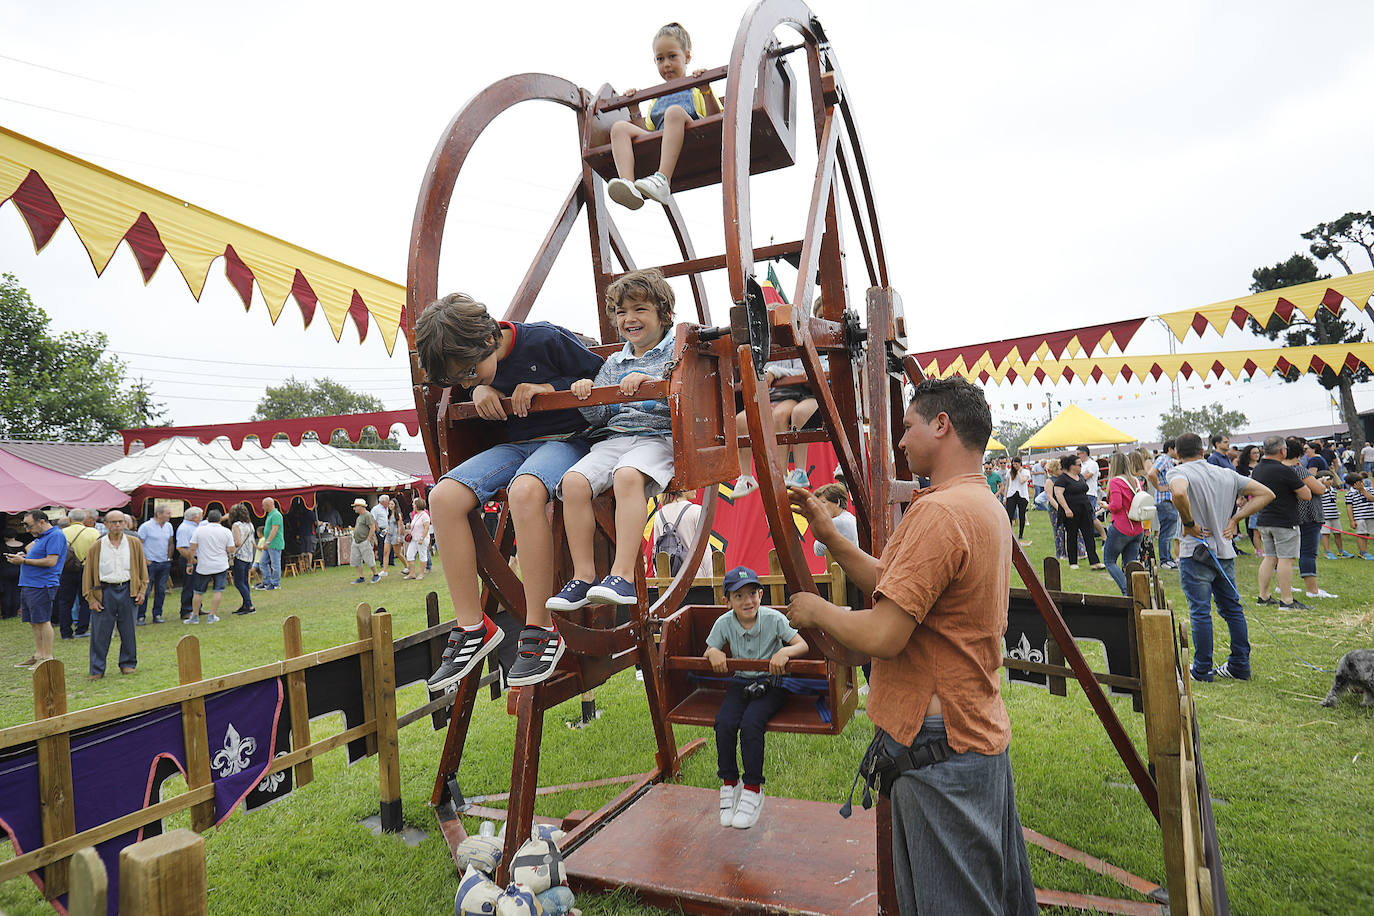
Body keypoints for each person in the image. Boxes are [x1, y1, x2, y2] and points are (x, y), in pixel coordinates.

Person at [785, 377, 1037, 914]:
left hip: (939, 752)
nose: (900, 442)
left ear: (940, 425)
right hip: (966, 733)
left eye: (907, 427)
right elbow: (897, 587)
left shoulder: (939, 513)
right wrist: (831, 537)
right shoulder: (978, 502)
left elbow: (884, 633)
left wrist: (816, 610)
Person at [415, 291, 604, 692]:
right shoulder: (477, 367)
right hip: (519, 446)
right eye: (460, 380)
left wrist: (548, 388)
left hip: (570, 438)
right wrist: (477, 391)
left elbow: (605, 377)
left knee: (525, 492)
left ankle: (540, 626)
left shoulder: (546, 339)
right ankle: (472, 626)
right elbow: (474, 385)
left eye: (469, 373)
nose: (467, 381)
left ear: (488, 340)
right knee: (442, 498)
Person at [549, 269, 678, 638]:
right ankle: (583, 577)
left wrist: (650, 389)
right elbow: (600, 415)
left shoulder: (677, 350)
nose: (629, 319)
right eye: (622, 313)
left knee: (626, 476)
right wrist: (587, 394)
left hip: (659, 438)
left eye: (640, 309)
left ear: (663, 313)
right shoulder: (614, 364)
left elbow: (684, 398)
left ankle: (621, 575)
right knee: (573, 482)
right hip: (616, 439)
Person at [707, 566, 808, 830]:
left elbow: (802, 644)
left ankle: (753, 787)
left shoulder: (774, 619)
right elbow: (711, 648)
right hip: (741, 681)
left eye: (752, 593)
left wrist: (785, 653)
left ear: (761, 595)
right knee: (725, 723)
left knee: (752, 724)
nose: (747, 601)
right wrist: (713, 653)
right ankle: (730, 783)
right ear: (726, 601)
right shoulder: (724, 623)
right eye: (738, 596)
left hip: (772, 683)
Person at [1169, 432, 1274, 681]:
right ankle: (1239, 664)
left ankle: (1202, 669)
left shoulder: (1179, 472)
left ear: (1178, 453)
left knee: (1200, 612)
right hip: (1224, 550)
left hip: (1195, 551)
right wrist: (1236, 518)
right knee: (1232, 610)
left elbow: (1179, 493)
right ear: (1203, 451)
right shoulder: (1226, 473)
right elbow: (1266, 493)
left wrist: (1189, 522)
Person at [606, 22, 721, 211]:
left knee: (674, 112)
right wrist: (634, 108)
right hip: (663, 139)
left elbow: (716, 119)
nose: (666, 64)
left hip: (693, 134)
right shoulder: (656, 99)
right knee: (619, 127)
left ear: (687, 57)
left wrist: (706, 88)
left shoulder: (696, 87)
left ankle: (662, 179)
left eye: (672, 56)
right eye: (660, 59)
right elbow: (646, 134)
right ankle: (628, 183)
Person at [731, 356, 819, 497]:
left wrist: (775, 372)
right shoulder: (760, 351)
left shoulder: (791, 350)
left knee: (779, 415)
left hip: (792, 395)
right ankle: (746, 476)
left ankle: (781, 473)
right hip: (767, 398)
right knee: (741, 420)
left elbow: (800, 370)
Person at [1249, 436, 1314, 610]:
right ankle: (1286, 600)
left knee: (1269, 558)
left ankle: (1263, 596)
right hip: (1284, 521)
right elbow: (1306, 495)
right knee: (1286, 559)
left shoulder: (1257, 470)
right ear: (1282, 451)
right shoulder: (1285, 471)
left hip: (1264, 519)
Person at [81, 510, 146, 678]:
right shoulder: (97, 546)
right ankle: (97, 669)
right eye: (114, 522)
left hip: (128, 590)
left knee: (128, 630)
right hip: (104, 591)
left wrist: (142, 590)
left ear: (125, 523)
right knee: (100, 632)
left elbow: (142, 569)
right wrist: (91, 598)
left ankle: (128, 663)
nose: (117, 525)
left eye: (121, 521)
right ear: (106, 524)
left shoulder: (134, 543)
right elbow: (88, 573)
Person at [7, 510, 66, 670]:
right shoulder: (41, 538)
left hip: (43, 584)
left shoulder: (55, 536)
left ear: (41, 522)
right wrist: (24, 557)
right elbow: (38, 557)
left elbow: (51, 561)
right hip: (30, 584)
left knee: (43, 620)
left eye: (29, 525)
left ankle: (47, 657)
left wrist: (24, 562)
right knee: (34, 621)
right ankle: (39, 654)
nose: (27, 530)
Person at [1288, 441, 1334, 600]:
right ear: (1298, 453)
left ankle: (1284, 586)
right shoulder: (1299, 470)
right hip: (1308, 515)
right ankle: (1312, 590)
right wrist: (1321, 483)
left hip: (1287, 516)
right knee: (1308, 552)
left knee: (1286, 554)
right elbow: (1318, 489)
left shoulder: (1278, 470)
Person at [1101, 451, 1146, 595]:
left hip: (1121, 526)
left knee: (1109, 561)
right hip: (1138, 528)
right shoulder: (1136, 481)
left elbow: (1116, 506)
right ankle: (1136, 592)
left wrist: (1105, 506)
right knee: (1130, 564)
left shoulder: (1115, 481)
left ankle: (1127, 591)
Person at [1052, 453, 1102, 570]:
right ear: (1071, 466)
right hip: (1071, 511)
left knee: (1089, 535)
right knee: (1072, 535)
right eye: (1079, 465)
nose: (1081, 466)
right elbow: (1058, 494)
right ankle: (1073, 562)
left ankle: (1094, 562)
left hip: (1085, 510)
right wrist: (1066, 509)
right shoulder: (1062, 479)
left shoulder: (1080, 476)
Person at [185, 508, 234, 624]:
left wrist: (189, 563)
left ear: (207, 519)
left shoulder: (199, 530)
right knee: (218, 590)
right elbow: (231, 549)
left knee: (198, 592)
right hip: (221, 564)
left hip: (204, 565)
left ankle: (195, 616)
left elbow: (192, 549)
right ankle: (212, 615)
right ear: (220, 520)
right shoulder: (226, 531)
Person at [56, 508, 99, 639]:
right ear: (84, 519)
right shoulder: (93, 532)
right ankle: (82, 629)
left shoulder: (61, 533)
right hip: (86, 569)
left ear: (69, 519)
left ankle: (65, 632)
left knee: (65, 602)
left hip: (66, 570)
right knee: (85, 600)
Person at [654, 489, 714, 577]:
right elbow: (705, 550)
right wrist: (710, 578)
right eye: (693, 485)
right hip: (695, 576)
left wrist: (658, 577)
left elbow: (656, 551)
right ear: (683, 487)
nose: (696, 488)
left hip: (669, 578)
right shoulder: (697, 511)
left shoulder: (659, 515)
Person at [137, 505, 175, 624]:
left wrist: (169, 557)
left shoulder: (169, 526)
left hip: (164, 562)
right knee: (146, 590)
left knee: (161, 589)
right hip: (150, 562)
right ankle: (141, 616)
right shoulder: (146, 527)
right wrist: (144, 559)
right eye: (167, 513)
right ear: (159, 514)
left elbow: (170, 542)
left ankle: (157, 614)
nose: (170, 516)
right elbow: (138, 544)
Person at [1147, 439, 1180, 569]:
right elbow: (1151, 473)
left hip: (1168, 500)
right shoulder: (1163, 459)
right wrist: (1159, 487)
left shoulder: (1168, 461)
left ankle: (1168, 558)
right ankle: (1165, 560)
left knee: (1168, 532)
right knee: (1166, 532)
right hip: (1164, 500)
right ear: (1170, 449)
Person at [810, 483, 859, 556]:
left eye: (823, 502)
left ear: (838, 502)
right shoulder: (851, 518)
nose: (819, 507)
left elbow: (818, 550)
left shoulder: (836, 522)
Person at [228, 503, 257, 614]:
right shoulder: (250, 525)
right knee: (245, 581)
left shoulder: (236, 525)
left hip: (239, 556)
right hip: (249, 556)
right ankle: (245, 604)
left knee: (239, 582)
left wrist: (228, 545)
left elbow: (238, 542)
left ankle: (249, 605)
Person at [175, 507, 202, 619]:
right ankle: (186, 610)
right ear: (195, 517)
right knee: (189, 585)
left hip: (195, 558)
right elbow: (181, 548)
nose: (202, 517)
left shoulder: (194, 526)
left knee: (197, 585)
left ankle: (197, 608)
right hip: (189, 560)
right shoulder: (185, 528)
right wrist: (191, 560)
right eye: (201, 515)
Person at [349, 498, 381, 584]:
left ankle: (376, 574)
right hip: (357, 541)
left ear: (361, 507)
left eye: (355, 507)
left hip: (364, 541)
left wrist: (369, 539)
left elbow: (372, 527)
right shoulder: (359, 517)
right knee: (356, 559)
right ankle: (361, 577)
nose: (354, 508)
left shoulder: (367, 515)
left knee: (369, 559)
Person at [1344, 472, 1374, 559]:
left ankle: (1364, 551)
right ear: (1354, 484)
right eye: (1360, 481)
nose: (1362, 483)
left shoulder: (1370, 490)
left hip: (1370, 516)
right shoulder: (1349, 494)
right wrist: (1351, 521)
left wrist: (1363, 490)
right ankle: (1363, 552)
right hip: (1359, 518)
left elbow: (1372, 499)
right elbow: (1349, 508)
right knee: (1361, 534)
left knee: (1367, 534)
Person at [258, 497, 284, 590]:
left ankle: (276, 583)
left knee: (275, 564)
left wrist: (267, 542)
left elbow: (275, 529)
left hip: (274, 543)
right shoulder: (270, 515)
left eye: (263, 505)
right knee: (263, 562)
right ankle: (267, 582)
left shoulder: (276, 515)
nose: (262, 507)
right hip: (269, 543)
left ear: (268, 505)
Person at [402, 497, 432, 580]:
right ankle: (412, 573)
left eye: (414, 504)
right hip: (414, 539)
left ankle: (421, 574)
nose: (412, 505)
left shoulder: (425, 515)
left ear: (418, 505)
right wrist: (409, 526)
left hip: (421, 539)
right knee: (409, 555)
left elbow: (426, 528)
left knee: (423, 555)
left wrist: (422, 538)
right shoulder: (416, 515)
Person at [1002, 457, 1031, 543]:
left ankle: (1020, 534)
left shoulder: (1026, 472)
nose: (1015, 466)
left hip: (1022, 495)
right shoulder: (1009, 472)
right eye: (1013, 464)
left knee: (1022, 515)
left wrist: (1018, 472)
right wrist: (1005, 496)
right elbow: (1007, 485)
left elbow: (1022, 481)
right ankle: (1009, 533)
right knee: (1009, 514)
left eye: (1016, 464)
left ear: (1020, 463)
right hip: (1011, 495)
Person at [371, 495, 392, 573]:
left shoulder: (388, 508)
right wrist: (377, 529)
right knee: (381, 546)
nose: (389, 502)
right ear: (383, 501)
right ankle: (382, 562)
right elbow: (374, 519)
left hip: (388, 529)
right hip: (381, 529)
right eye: (387, 501)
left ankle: (390, 561)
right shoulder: (376, 509)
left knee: (390, 545)